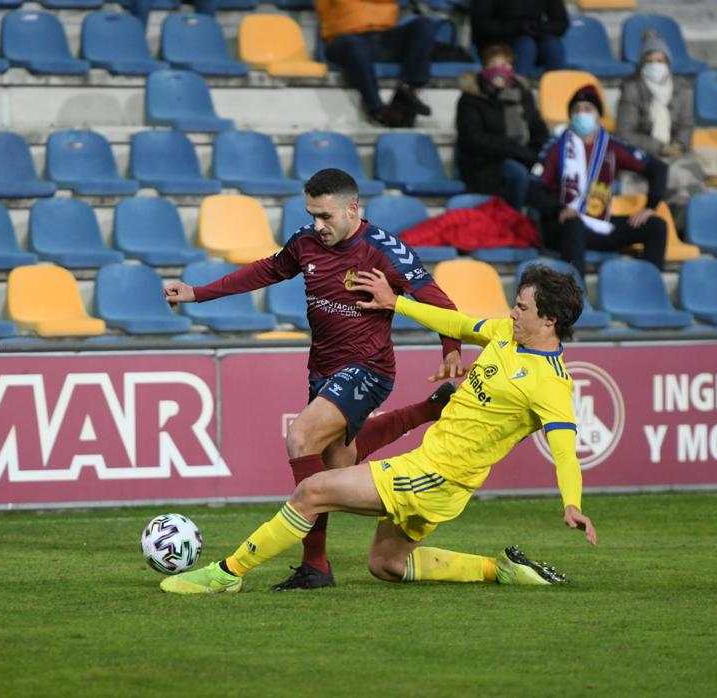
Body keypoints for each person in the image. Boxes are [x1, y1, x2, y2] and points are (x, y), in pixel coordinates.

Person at [161, 263, 597, 595]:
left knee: (312, 491)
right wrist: (396, 303)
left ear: (550, 319)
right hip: (440, 479)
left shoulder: (551, 386)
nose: (513, 312)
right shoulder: (505, 335)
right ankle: (499, 569)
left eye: (522, 307)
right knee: (386, 565)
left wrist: (572, 503)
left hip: (436, 476)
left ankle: (227, 574)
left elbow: (564, 449)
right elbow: (459, 324)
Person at [164, 169, 464, 590]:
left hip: (369, 368)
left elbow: (440, 303)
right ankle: (430, 409)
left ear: (352, 209)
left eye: (325, 216)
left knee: (300, 438)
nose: (318, 226)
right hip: (322, 368)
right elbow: (266, 271)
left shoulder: (386, 251)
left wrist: (451, 350)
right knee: (335, 471)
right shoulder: (305, 241)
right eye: (312, 215)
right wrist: (198, 292)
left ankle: (313, 566)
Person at [527, 85, 669, 275]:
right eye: (576, 110)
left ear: (599, 117)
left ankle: (650, 289)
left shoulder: (611, 146)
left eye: (587, 109)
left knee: (656, 226)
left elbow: (658, 167)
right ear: (570, 117)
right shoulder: (556, 147)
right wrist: (559, 209)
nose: (581, 114)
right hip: (563, 226)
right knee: (574, 225)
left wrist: (650, 207)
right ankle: (575, 298)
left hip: (599, 222)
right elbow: (533, 190)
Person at [615, 31, 707, 209]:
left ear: (668, 63)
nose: (655, 65)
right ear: (642, 63)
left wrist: (679, 145)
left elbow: (686, 125)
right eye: (649, 61)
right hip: (641, 153)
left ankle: (681, 221)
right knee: (665, 173)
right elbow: (625, 134)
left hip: (674, 152)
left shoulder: (682, 89)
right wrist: (660, 148)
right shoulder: (631, 89)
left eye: (660, 61)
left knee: (690, 172)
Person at [455, 43, 550, 210]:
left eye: (504, 65)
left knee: (547, 182)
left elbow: (539, 130)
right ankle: (514, 221)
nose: (499, 70)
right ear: (484, 69)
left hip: (522, 158)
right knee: (518, 175)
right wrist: (513, 148)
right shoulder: (471, 98)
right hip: (484, 164)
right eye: (493, 65)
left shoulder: (522, 94)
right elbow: (473, 138)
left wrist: (532, 154)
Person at [317, 0, 437, 128]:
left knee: (424, 25)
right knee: (356, 46)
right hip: (344, 38)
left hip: (385, 37)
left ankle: (408, 92)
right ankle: (378, 109)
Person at [470, 0, 568, 79]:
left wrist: (539, 27)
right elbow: (480, 24)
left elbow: (561, 23)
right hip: (497, 40)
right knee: (526, 45)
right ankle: (518, 90)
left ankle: (559, 90)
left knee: (552, 45)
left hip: (534, 37)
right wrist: (516, 27)